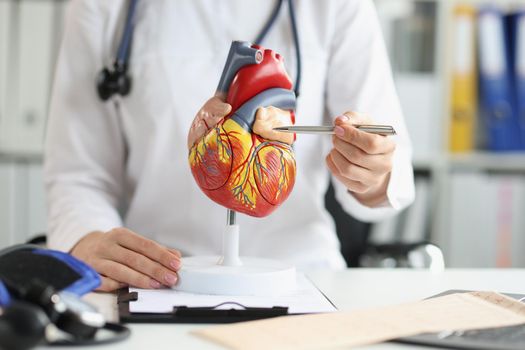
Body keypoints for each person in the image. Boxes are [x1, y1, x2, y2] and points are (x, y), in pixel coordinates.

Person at [44, 0, 415, 292]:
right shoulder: (106, 7)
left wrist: (372, 170)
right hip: (161, 280)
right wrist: (88, 239)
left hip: (303, 280)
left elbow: (388, 158)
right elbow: (78, 176)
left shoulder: (336, 5)